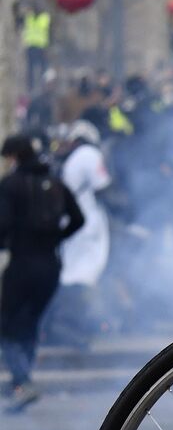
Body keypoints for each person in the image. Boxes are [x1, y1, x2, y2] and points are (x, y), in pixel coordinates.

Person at [0, 135, 83, 410]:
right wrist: (57, 237)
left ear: (14, 157)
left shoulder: (11, 185)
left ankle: (21, 382)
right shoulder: (56, 183)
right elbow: (78, 218)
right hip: (50, 266)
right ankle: (24, 379)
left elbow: (3, 224)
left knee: (10, 325)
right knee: (30, 323)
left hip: (22, 264)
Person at [48, 120, 113, 349]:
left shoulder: (74, 158)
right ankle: (70, 325)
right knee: (80, 274)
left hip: (79, 224)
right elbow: (103, 185)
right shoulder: (87, 154)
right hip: (86, 227)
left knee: (75, 272)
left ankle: (68, 325)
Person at [19, 3, 51, 93]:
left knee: (39, 69)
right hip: (34, 47)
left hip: (39, 47)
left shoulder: (40, 18)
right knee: (33, 69)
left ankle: (40, 87)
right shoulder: (42, 18)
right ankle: (32, 87)